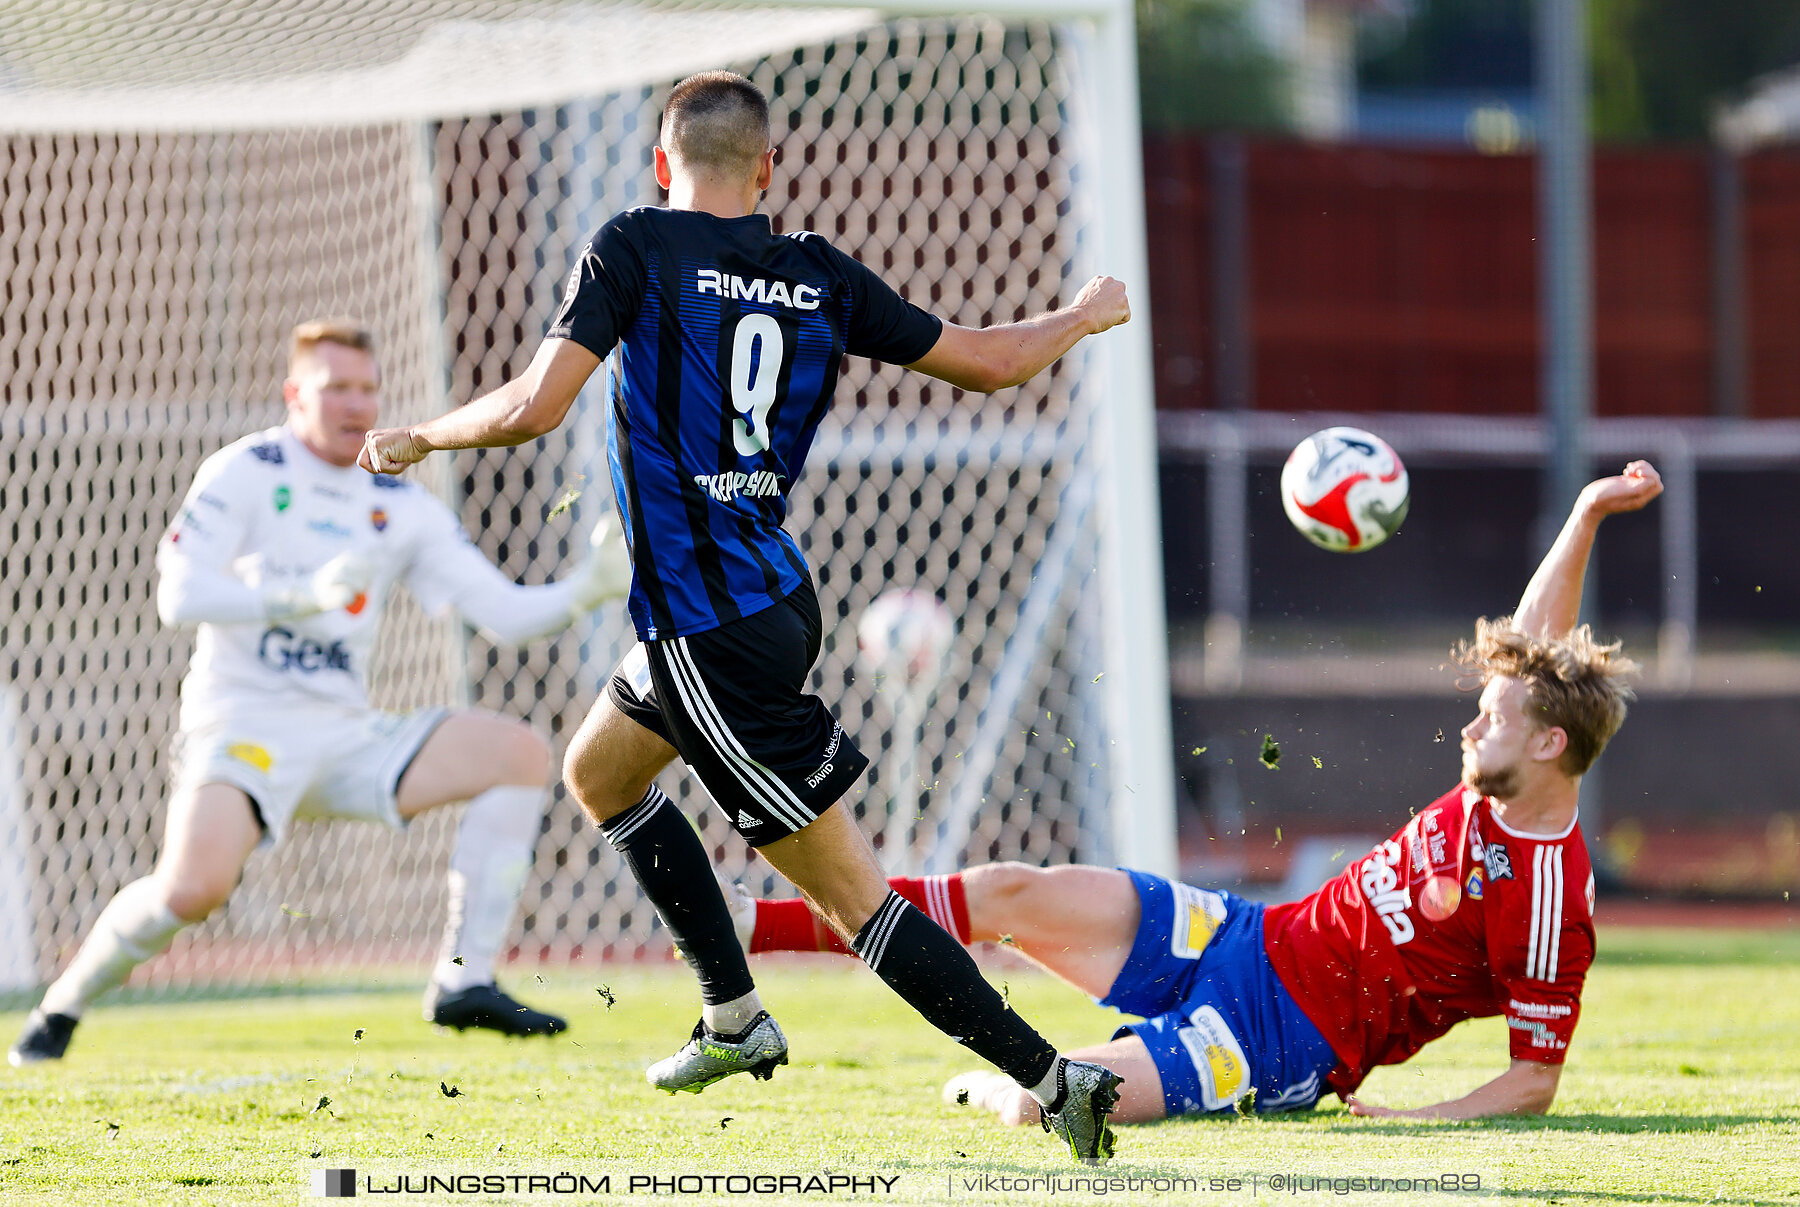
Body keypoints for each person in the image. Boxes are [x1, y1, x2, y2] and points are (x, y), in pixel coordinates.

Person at [359, 71, 1132, 1162]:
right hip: (759, 598)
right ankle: (733, 1015)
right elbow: (997, 364)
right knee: (600, 772)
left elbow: (534, 408)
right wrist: (1088, 312)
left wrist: (425, 437)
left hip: (711, 638)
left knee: (857, 904)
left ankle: (1058, 1081)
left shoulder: (633, 244)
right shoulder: (818, 272)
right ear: (768, 169)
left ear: (660, 164)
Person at [728, 462, 1663, 1126]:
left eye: (1492, 720)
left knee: (1042, 1097)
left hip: (1280, 1042)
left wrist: (1412, 1118)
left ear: (1549, 744)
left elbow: (1535, 1080)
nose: (1469, 725)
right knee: (1010, 889)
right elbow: (1535, 647)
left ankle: (987, 1085)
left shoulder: (1548, 895)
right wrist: (1584, 513)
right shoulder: (1505, 783)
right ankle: (752, 927)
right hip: (1245, 935)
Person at [9, 319, 631, 1067]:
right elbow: (177, 595)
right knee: (193, 890)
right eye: (337, 387)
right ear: (294, 394)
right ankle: (61, 1006)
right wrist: (294, 598)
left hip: (345, 734)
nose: (356, 403)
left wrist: (585, 591)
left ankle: (465, 980)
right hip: (243, 726)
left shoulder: (398, 504)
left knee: (521, 755)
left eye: (367, 388)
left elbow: (502, 614)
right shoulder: (244, 469)